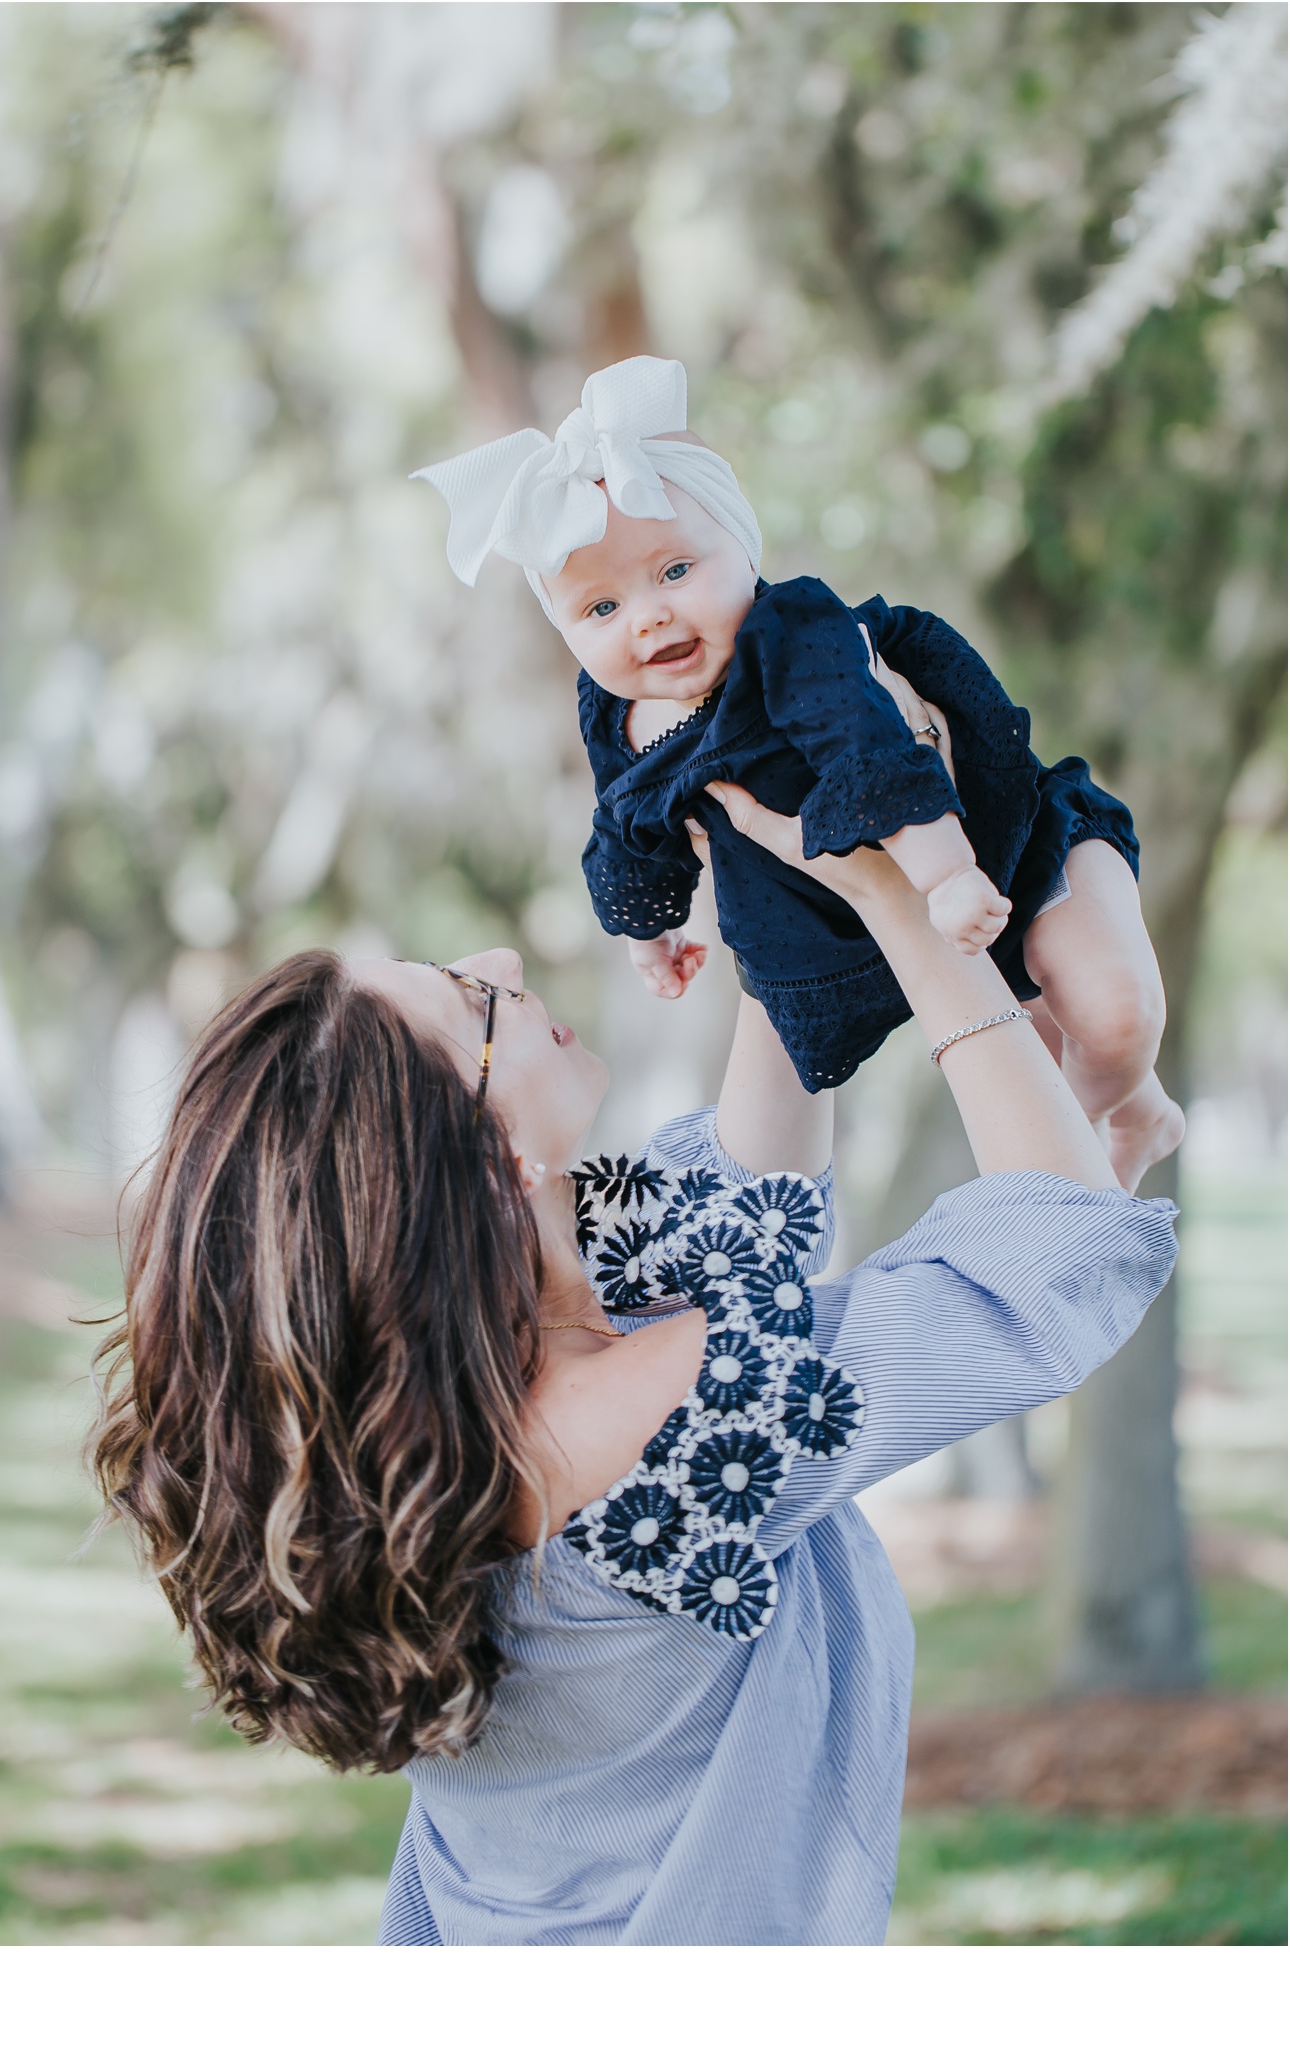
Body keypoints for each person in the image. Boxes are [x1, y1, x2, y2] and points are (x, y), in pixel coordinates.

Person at [88, 795, 1177, 1946]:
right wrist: (907, 905)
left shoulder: (508, 1381)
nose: (501, 957)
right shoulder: (640, 1421)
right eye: (470, 997)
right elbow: (1052, 1256)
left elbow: (751, 1206)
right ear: (496, 1155)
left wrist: (781, 853)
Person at [417, 355, 1184, 1193]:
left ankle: (1125, 1111)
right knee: (1023, 1046)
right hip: (879, 928)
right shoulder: (615, 712)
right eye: (601, 609)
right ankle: (1103, 1136)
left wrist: (948, 872)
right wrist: (651, 933)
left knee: (1109, 1017)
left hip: (1004, 842)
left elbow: (867, 748)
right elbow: (627, 821)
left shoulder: (793, 634)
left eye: (675, 570)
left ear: (742, 547)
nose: (650, 616)